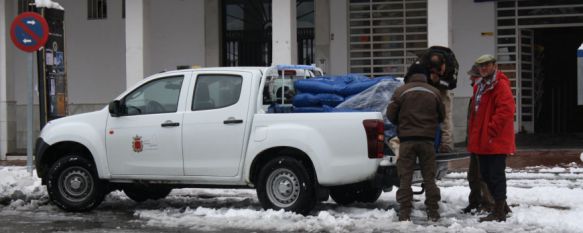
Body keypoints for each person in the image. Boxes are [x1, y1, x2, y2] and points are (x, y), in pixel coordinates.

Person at [387, 62, 445, 222]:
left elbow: (391, 116)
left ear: (410, 75)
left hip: (406, 142)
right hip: (427, 142)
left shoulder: (400, 91)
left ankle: (405, 212)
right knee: (429, 178)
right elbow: (442, 116)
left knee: (405, 177)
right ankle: (433, 211)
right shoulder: (435, 92)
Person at [467, 54, 515, 222]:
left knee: (495, 175)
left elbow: (506, 110)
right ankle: (503, 206)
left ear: (494, 65)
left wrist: (490, 131)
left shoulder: (500, 85)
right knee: (486, 176)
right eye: (481, 66)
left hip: (495, 140)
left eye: (487, 65)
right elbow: (475, 114)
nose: (483, 68)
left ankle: (499, 211)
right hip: (482, 141)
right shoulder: (479, 86)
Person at [462, 65, 495, 214]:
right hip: (474, 141)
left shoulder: (485, 94)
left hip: (483, 142)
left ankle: (488, 203)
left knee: (483, 175)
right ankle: (475, 201)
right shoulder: (475, 95)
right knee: (473, 175)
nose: (470, 79)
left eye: (473, 77)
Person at [419, 46, 459, 153]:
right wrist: (429, 79)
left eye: (440, 71)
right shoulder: (423, 62)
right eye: (434, 71)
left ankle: (446, 144)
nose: (438, 73)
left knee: (446, 115)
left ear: (443, 65)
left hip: (444, 87)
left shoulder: (452, 65)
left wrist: (439, 81)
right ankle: (425, 141)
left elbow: (452, 85)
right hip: (426, 86)